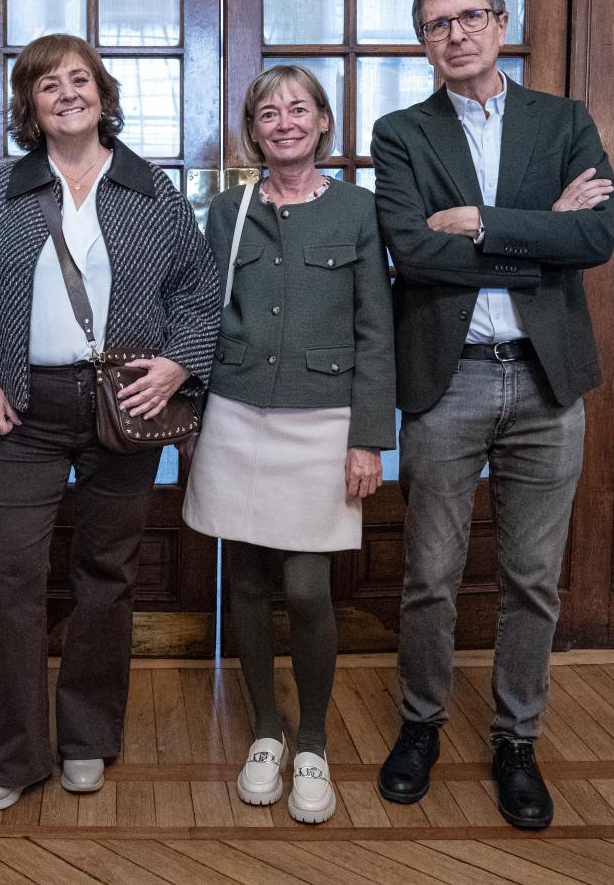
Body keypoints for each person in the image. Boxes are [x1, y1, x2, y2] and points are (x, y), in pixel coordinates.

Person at [370, 0, 614, 830]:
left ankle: (517, 741)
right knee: (430, 574)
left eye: (471, 16)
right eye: (438, 25)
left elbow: (594, 235)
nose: (457, 35)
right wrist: (537, 227)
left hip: (548, 380)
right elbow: (410, 251)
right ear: (423, 44)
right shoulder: (400, 133)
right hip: (449, 379)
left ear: (501, 23)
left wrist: (478, 220)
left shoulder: (566, 119)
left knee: (531, 579)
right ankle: (420, 725)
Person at [0, 33, 220, 812]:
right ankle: (6, 754)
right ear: (29, 109)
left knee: (107, 575)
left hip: (126, 406)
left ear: (104, 94)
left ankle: (88, 739)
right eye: (47, 85)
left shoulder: (151, 191)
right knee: (9, 575)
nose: (67, 93)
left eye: (80, 80)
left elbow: (199, 297)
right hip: (24, 410)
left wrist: (174, 367)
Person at [182, 66, 395, 825]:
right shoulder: (226, 209)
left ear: (324, 122)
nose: (283, 122)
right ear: (254, 130)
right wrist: (189, 417)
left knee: (306, 588)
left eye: (297, 109)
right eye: (267, 113)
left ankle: (311, 738)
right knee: (243, 584)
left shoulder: (358, 211)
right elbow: (202, 314)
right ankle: (264, 733)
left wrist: (371, 437)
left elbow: (377, 327)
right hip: (235, 415)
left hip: (323, 421)